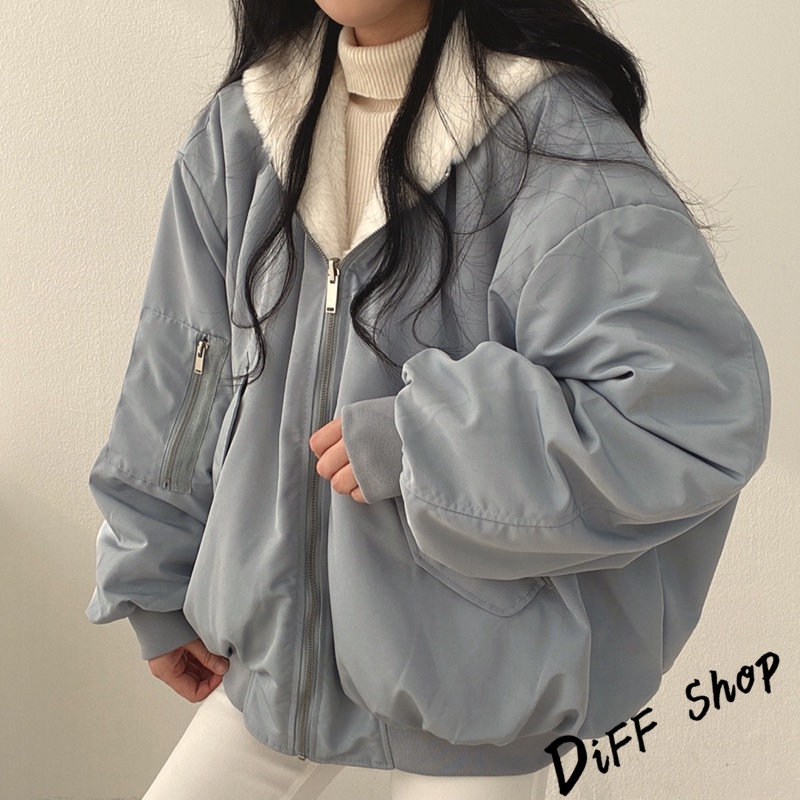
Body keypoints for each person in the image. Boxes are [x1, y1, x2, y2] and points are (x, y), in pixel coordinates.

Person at [85, 0, 770, 797]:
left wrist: (425, 443)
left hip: (477, 686)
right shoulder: (243, 131)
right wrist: (153, 580)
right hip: (274, 663)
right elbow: (180, 374)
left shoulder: (548, 135)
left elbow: (683, 412)